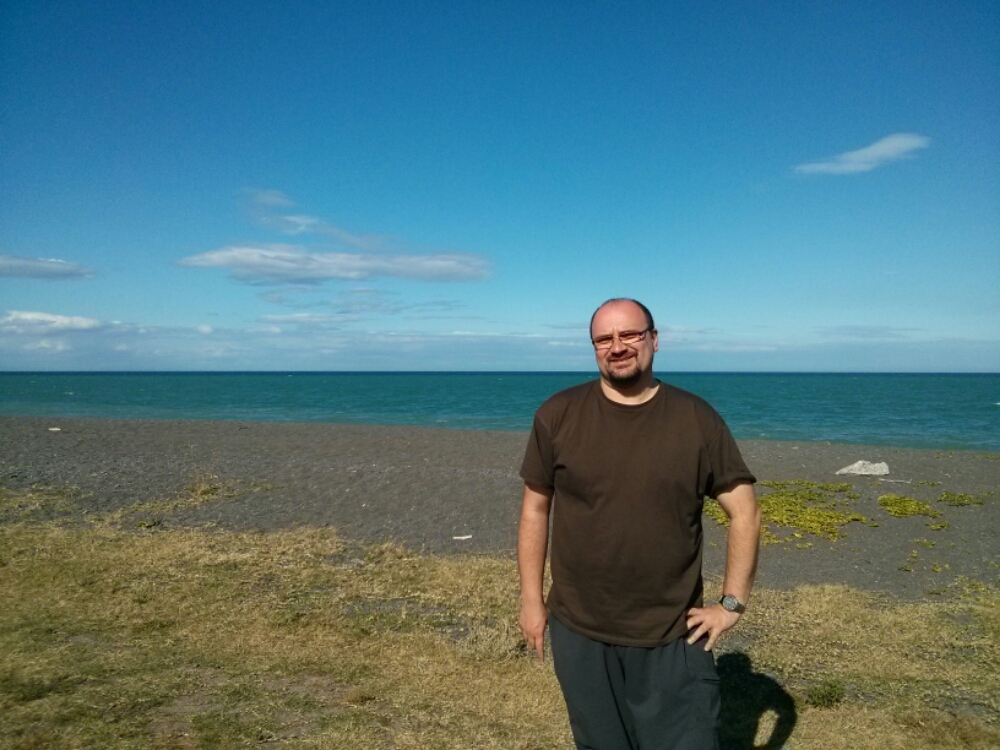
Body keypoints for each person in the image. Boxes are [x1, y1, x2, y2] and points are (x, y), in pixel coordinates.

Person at [518, 298, 761, 750]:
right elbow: (535, 509)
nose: (617, 347)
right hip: (580, 631)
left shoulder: (696, 419)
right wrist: (532, 601)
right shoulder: (557, 415)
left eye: (629, 334)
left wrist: (731, 604)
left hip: (673, 632)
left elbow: (745, 511)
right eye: (604, 339)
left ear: (654, 339)